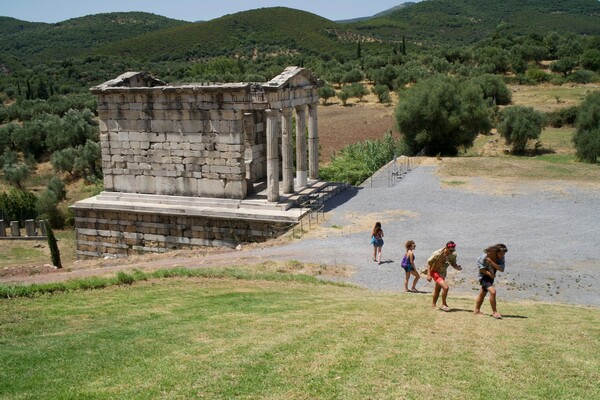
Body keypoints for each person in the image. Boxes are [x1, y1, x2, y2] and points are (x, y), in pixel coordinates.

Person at [425, 241, 462, 311]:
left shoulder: (453, 255)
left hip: (442, 273)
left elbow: (453, 264)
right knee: (446, 287)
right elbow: (429, 263)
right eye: (451, 250)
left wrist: (457, 267)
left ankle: (433, 304)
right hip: (434, 272)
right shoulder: (437, 253)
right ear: (446, 247)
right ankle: (444, 304)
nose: (452, 251)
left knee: (437, 289)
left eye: (453, 250)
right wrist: (428, 275)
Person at [474, 244, 508, 319]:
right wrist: (489, 274)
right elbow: (481, 269)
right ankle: (495, 312)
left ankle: (477, 310)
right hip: (483, 277)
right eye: (500, 254)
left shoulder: (501, 257)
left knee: (483, 293)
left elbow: (502, 269)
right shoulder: (484, 257)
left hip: (491, 277)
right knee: (493, 292)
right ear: (495, 252)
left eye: (503, 254)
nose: (502, 256)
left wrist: (492, 262)